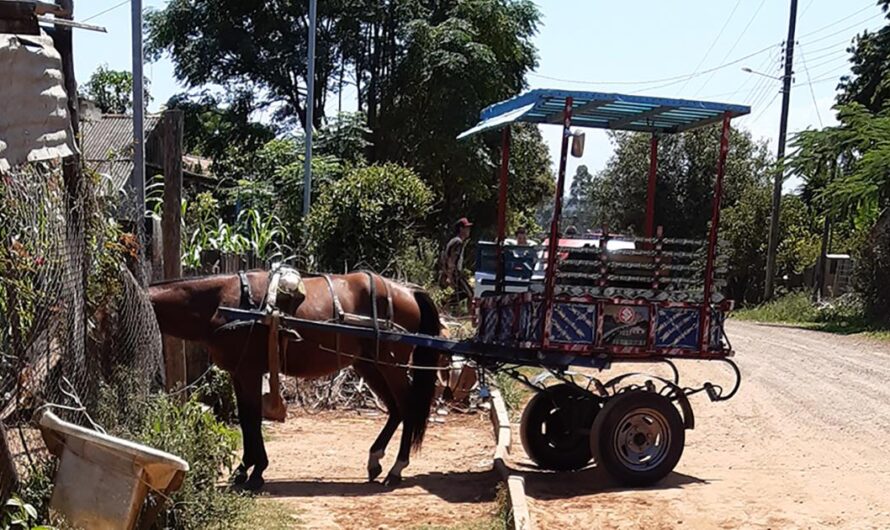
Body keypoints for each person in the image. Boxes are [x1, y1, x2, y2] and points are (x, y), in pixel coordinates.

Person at [438, 218, 474, 307]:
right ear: (461, 229)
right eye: (466, 228)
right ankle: (443, 303)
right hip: (454, 273)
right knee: (469, 293)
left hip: (452, 273)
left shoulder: (455, 241)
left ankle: (444, 304)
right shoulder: (458, 242)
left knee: (464, 293)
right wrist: (449, 276)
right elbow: (451, 260)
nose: (468, 230)